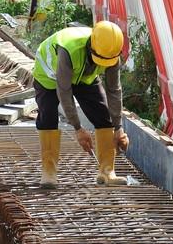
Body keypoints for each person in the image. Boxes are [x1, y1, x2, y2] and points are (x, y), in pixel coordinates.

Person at [32, 21, 130, 189]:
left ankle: (107, 171)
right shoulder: (69, 50)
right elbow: (64, 91)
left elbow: (114, 90)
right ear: (91, 46)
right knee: (48, 117)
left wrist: (118, 128)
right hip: (49, 76)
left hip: (84, 77)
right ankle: (49, 171)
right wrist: (78, 128)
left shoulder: (111, 51)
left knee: (103, 115)